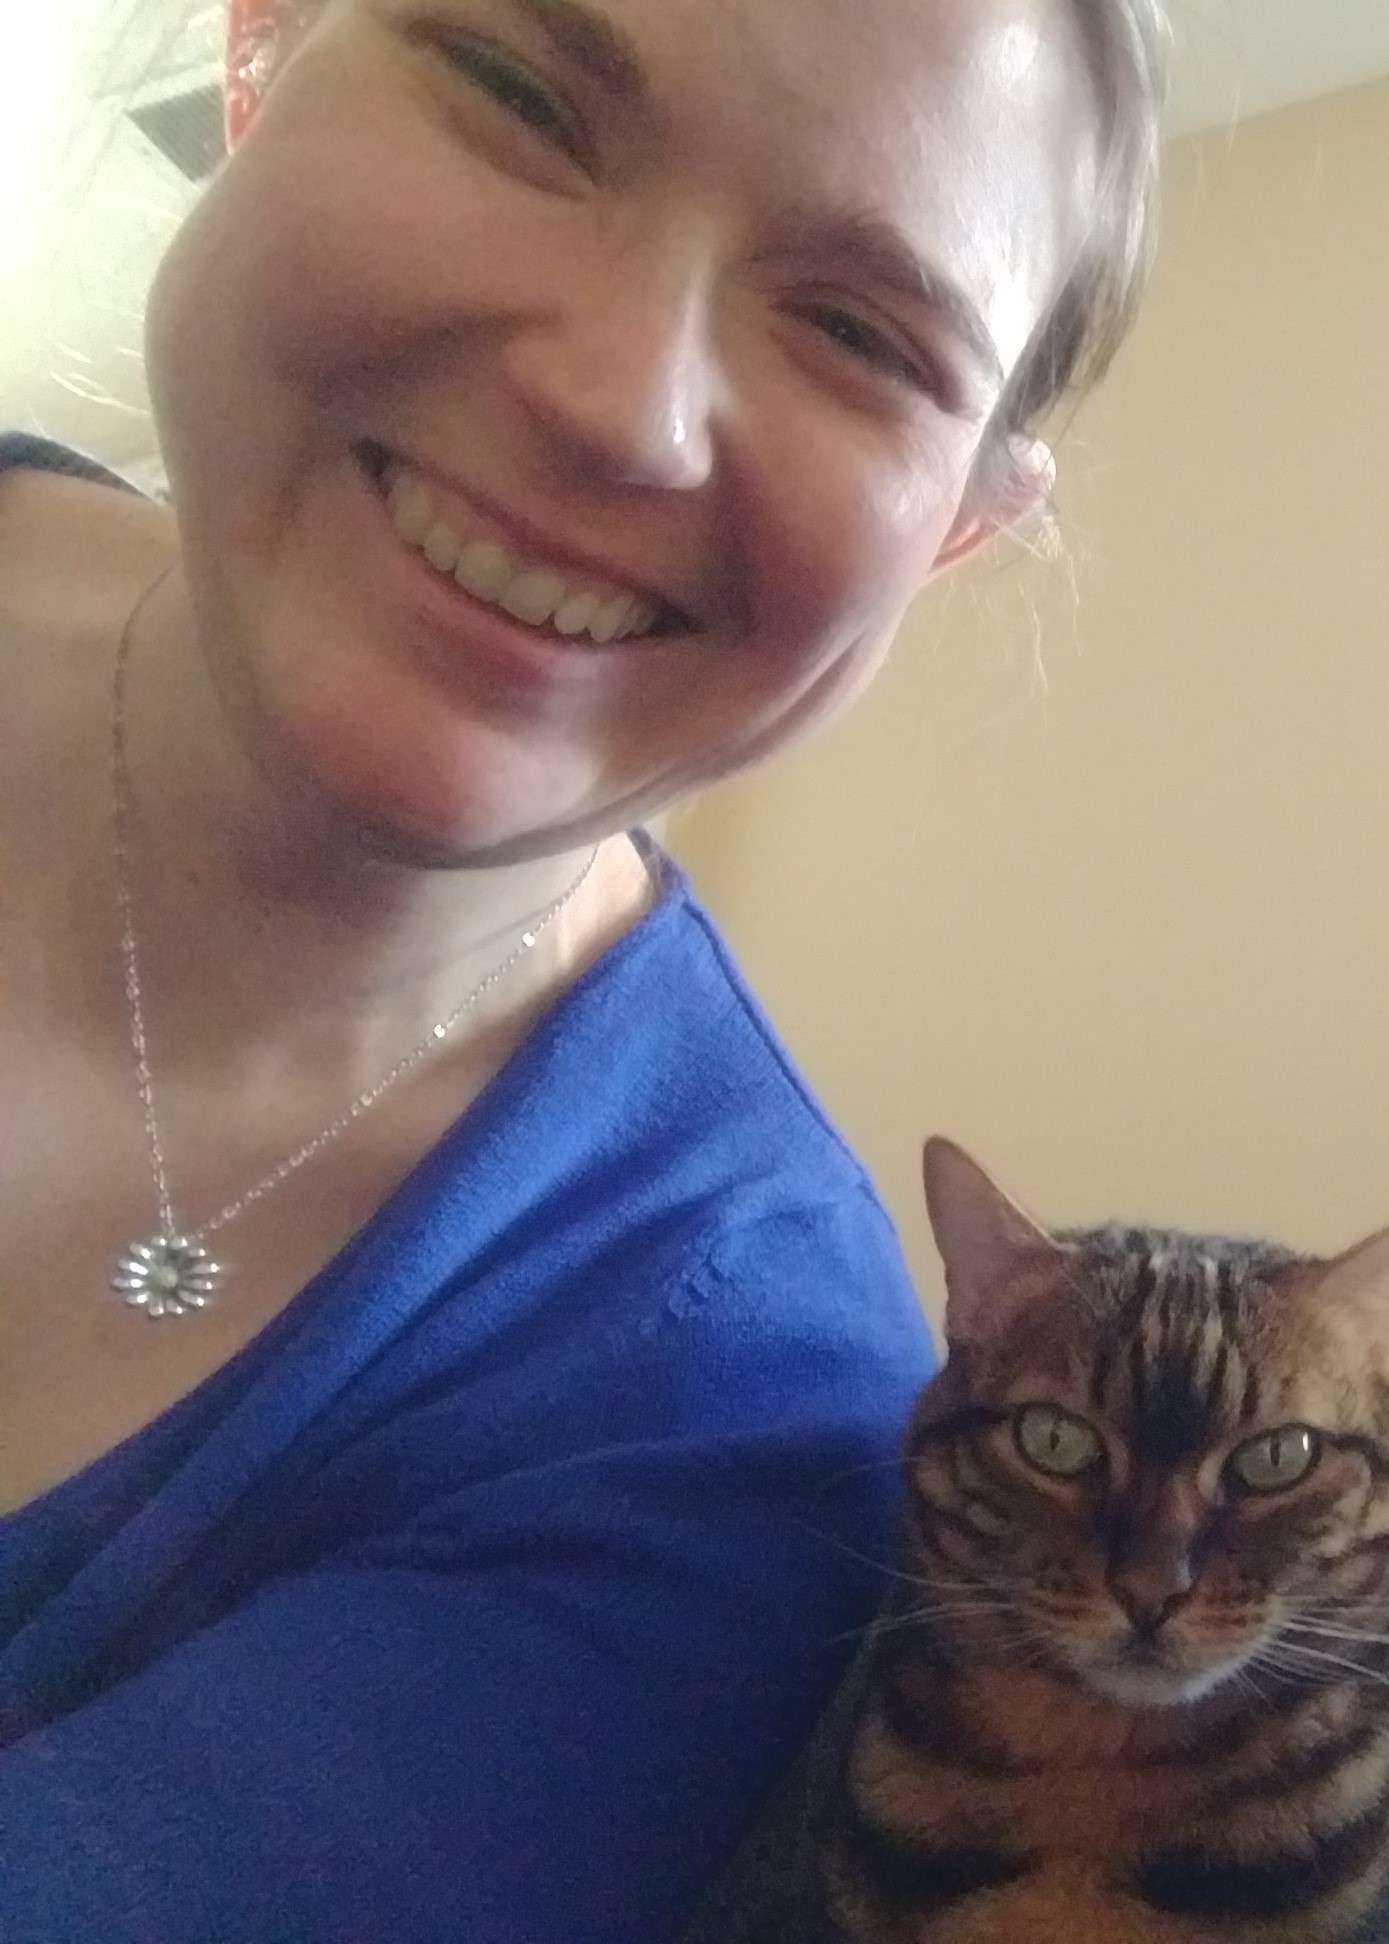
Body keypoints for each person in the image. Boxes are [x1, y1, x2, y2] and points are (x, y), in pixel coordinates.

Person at [0, 0, 1165, 1935]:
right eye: (521, 100)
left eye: (863, 334)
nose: (624, 404)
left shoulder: (734, 1411)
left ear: (958, 528)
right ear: (260, 46)